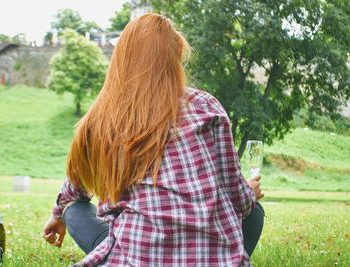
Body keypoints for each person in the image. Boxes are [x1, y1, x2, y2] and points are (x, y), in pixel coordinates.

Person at [42, 13, 264, 267]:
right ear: (174, 60)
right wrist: (250, 193)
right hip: (212, 257)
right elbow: (238, 199)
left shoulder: (102, 120)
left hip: (137, 256)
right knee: (254, 212)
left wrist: (58, 215)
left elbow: (75, 188)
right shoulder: (206, 106)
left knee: (74, 209)